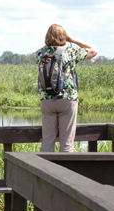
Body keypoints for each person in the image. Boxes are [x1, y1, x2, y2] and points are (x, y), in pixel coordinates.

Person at [34, 24, 97, 152]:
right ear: (64, 37)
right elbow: (93, 51)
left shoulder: (41, 53)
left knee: (47, 142)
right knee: (67, 143)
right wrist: (72, 40)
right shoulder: (69, 52)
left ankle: (45, 170)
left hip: (46, 99)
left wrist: (48, 44)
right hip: (67, 99)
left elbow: (34, 54)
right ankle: (65, 171)